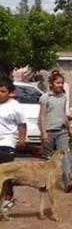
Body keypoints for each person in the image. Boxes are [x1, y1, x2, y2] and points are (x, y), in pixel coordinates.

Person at [39, 72, 72, 192]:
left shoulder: (63, 97)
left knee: (64, 156)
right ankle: (45, 182)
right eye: (57, 83)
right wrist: (44, 132)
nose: (60, 85)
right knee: (48, 158)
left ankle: (67, 182)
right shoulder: (45, 97)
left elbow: (63, 114)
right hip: (49, 131)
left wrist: (69, 128)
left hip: (61, 130)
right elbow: (42, 116)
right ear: (51, 84)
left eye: (61, 83)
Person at [0, 77, 26, 213]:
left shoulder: (15, 106)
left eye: (3, 91)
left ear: (10, 93)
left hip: (7, 143)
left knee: (6, 173)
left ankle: (8, 198)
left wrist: (22, 139)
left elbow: (22, 124)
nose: (0, 93)